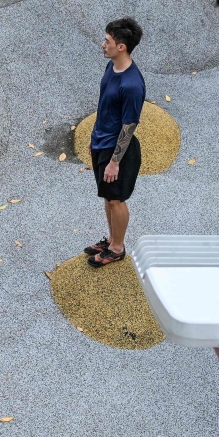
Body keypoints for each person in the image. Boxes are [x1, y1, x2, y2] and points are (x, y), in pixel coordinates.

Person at [84, 17, 145, 268]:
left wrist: (114, 162)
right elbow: (105, 107)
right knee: (108, 197)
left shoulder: (132, 85)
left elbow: (129, 125)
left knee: (116, 199)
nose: (103, 44)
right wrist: (93, 137)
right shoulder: (111, 67)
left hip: (117, 151)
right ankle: (111, 240)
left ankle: (117, 249)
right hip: (102, 141)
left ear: (121, 47)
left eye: (107, 41)